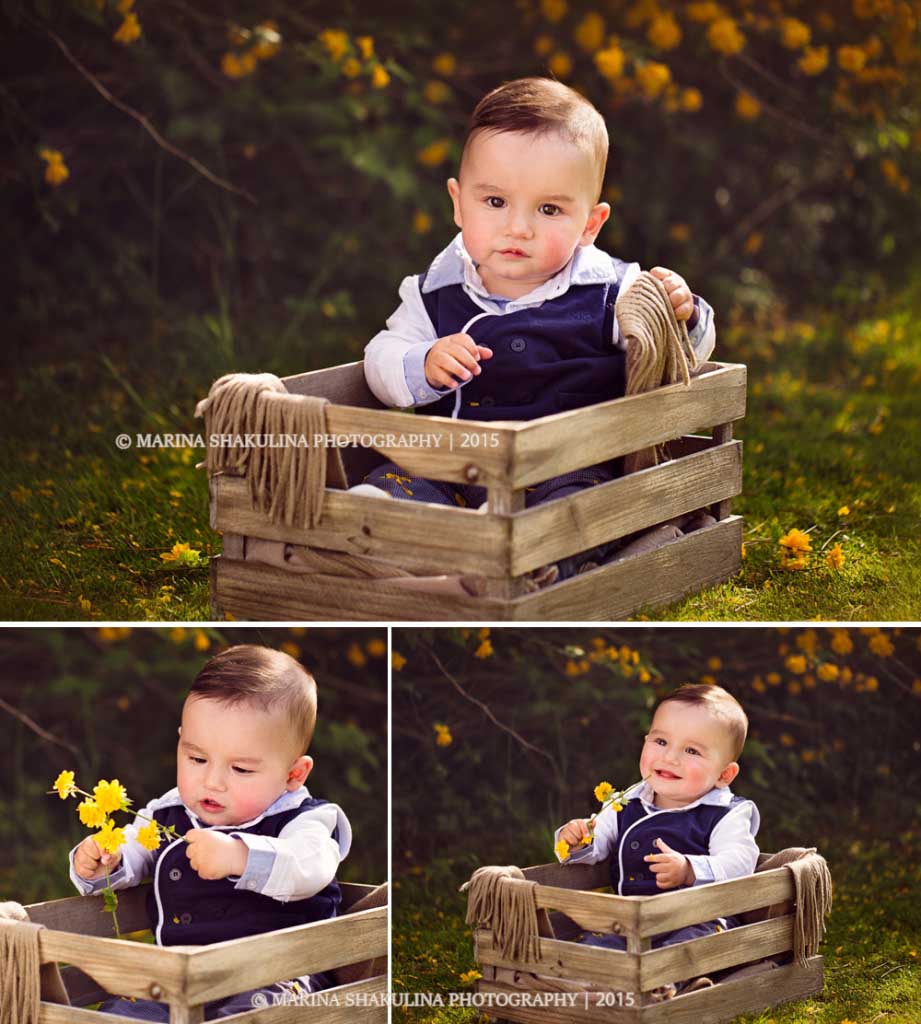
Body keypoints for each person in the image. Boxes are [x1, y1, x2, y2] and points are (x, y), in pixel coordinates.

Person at [357, 78, 716, 578]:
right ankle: (423, 544)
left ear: (590, 225)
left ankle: (518, 559)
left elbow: (677, 357)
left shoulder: (612, 291)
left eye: (549, 209)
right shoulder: (432, 293)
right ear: (459, 204)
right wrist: (421, 362)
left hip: (569, 469)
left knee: (573, 517)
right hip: (453, 465)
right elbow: (380, 356)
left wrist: (684, 314)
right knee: (382, 492)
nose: (518, 228)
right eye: (495, 202)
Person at [70, 644, 351, 1020]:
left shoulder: (304, 820)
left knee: (258, 1014)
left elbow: (310, 869)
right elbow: (139, 846)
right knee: (121, 1012)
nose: (212, 781)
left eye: (241, 769)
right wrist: (107, 859)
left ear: (293, 774)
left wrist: (241, 856)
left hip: (274, 977)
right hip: (178, 981)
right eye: (197, 758)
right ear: (181, 741)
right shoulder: (169, 812)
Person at [555, 684, 759, 999]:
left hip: (697, 919)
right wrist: (579, 840)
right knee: (593, 944)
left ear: (724, 775)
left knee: (692, 945)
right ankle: (588, 986)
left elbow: (741, 861)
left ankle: (664, 987)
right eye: (661, 741)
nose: (670, 757)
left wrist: (691, 869)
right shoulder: (625, 802)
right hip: (630, 924)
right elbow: (596, 847)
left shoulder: (725, 814)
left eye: (692, 750)